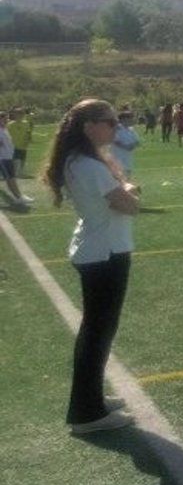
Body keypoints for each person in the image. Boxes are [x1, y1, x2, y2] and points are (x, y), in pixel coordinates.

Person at [41, 99, 142, 434]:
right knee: (98, 333)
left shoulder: (81, 160)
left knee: (97, 331)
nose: (116, 127)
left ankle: (91, 399)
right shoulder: (88, 165)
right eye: (109, 122)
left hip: (97, 249)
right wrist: (128, 190)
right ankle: (87, 413)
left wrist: (123, 189)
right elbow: (129, 206)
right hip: (105, 253)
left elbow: (119, 198)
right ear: (88, 126)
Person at [0, 110, 35, 211]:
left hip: (8, 158)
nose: (6, 120)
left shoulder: (4, 129)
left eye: (6, 118)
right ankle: (19, 197)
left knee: (11, 178)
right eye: (4, 119)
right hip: (3, 159)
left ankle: (19, 196)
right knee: (10, 179)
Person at [110, 108, 141, 177]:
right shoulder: (117, 129)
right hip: (118, 156)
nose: (132, 120)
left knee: (127, 175)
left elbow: (137, 141)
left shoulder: (131, 130)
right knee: (117, 176)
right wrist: (125, 146)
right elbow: (114, 140)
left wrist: (132, 146)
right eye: (130, 118)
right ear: (123, 119)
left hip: (128, 157)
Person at [10, 109, 35, 175]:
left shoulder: (26, 123)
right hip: (14, 145)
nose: (19, 116)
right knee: (16, 160)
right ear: (14, 115)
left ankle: (21, 172)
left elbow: (28, 132)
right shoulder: (10, 124)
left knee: (22, 159)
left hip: (23, 145)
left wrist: (29, 139)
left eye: (21, 114)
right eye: (17, 114)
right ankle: (15, 173)